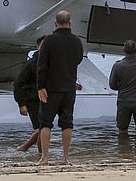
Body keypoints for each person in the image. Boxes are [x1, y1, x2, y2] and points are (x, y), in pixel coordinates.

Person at [36, 10, 84, 166]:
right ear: (70, 24)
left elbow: (41, 66)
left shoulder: (49, 41)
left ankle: (45, 158)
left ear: (55, 24)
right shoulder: (77, 41)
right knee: (67, 123)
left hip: (50, 89)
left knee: (45, 123)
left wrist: (40, 87)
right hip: (69, 88)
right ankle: (65, 158)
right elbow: (78, 60)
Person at [109, 39, 136, 134]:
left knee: (122, 129)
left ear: (124, 50)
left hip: (124, 101)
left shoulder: (117, 66)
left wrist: (122, 87)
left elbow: (112, 85)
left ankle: (123, 147)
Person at [13, 36, 45, 153]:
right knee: (41, 128)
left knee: (43, 128)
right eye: (43, 46)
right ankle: (40, 153)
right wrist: (21, 104)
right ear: (38, 47)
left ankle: (25, 148)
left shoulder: (52, 63)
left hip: (46, 99)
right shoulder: (30, 64)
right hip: (32, 100)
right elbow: (17, 84)